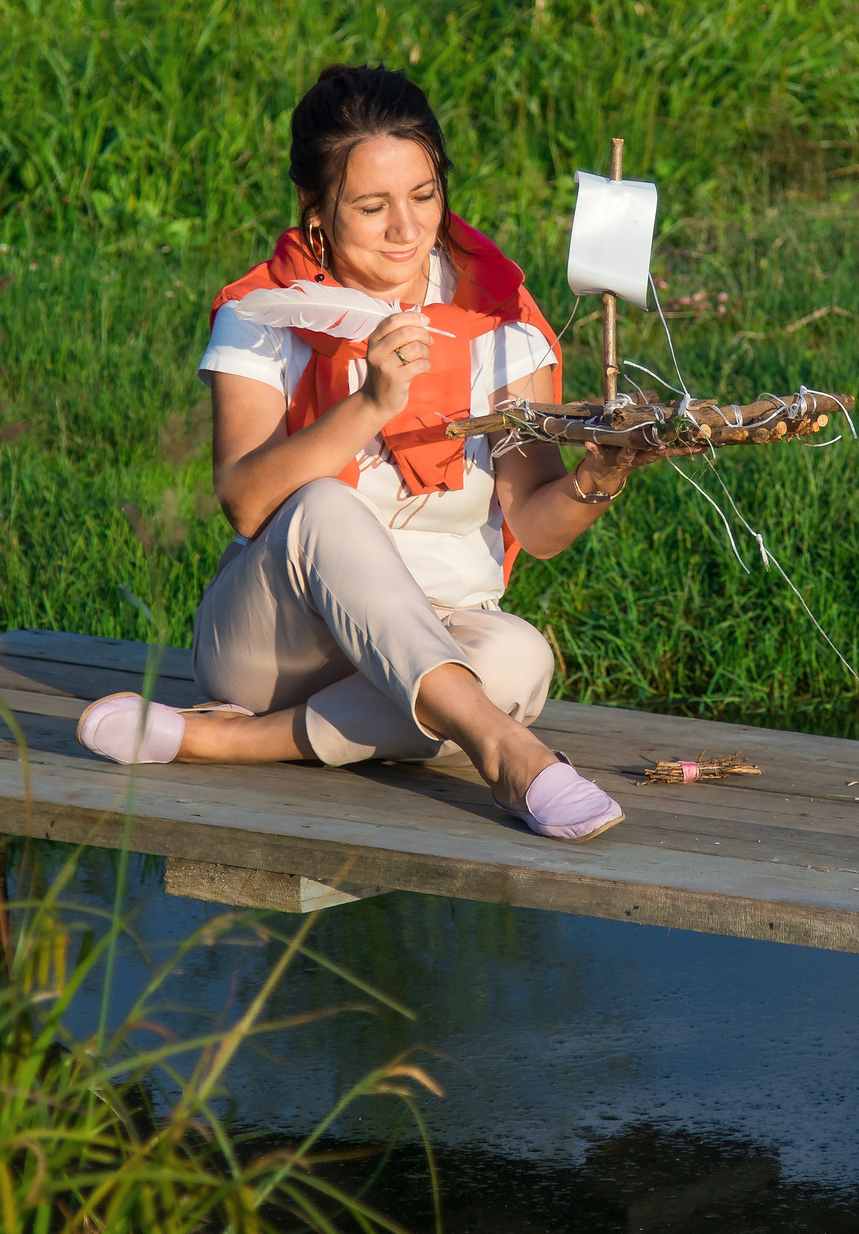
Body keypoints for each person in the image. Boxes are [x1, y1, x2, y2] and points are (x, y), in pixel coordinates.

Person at [76, 65, 658, 840]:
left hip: (442, 621)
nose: (406, 229)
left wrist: (599, 476)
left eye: (423, 196)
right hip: (274, 641)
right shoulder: (263, 312)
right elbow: (247, 500)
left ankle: (217, 738)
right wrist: (371, 405)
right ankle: (507, 750)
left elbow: (538, 527)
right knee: (325, 503)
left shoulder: (503, 315)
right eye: (371, 206)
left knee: (521, 658)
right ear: (315, 213)